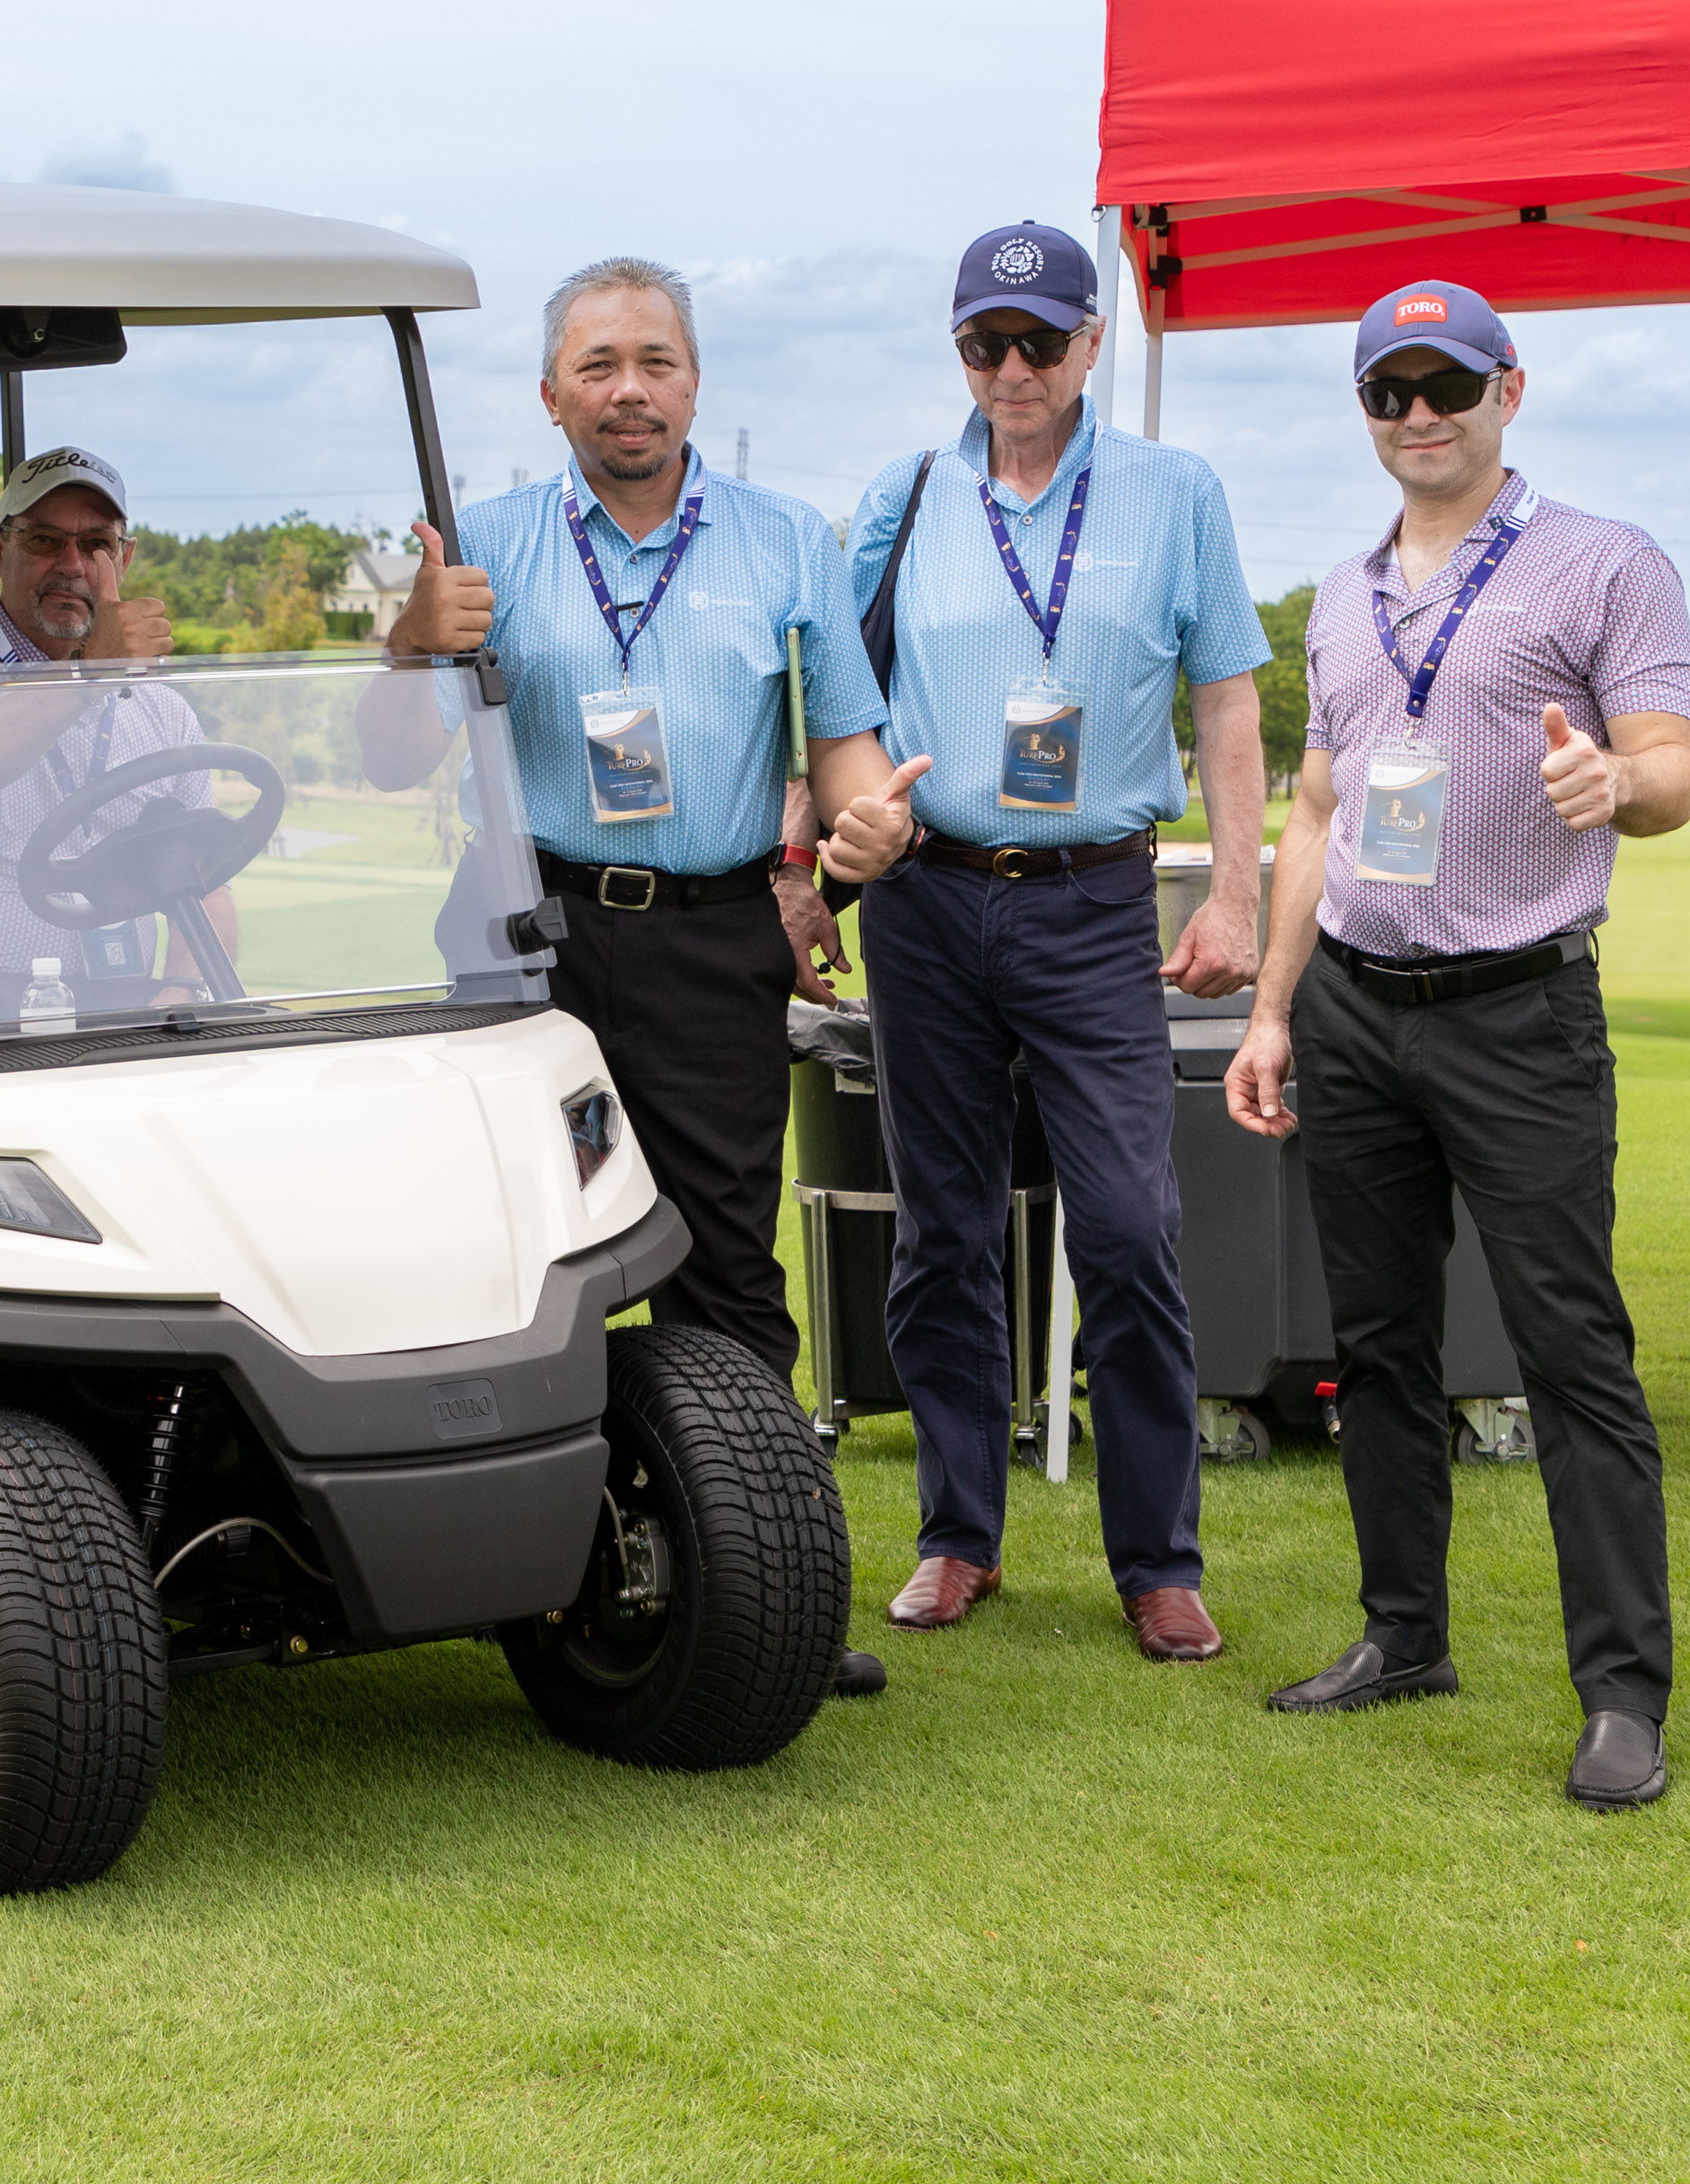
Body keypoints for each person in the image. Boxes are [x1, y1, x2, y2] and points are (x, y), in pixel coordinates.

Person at [379, 256, 920, 1701]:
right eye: (601, 364)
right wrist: (409, 642)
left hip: (706, 936)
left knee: (721, 1267)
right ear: (550, 392)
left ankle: (761, 1590)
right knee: (499, 1258)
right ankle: (491, 1574)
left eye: (658, 362)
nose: (631, 389)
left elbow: (850, 757)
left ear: (695, 383)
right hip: (519, 927)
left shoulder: (785, 540)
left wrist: (867, 828)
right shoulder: (478, 540)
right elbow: (387, 756)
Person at [1225, 280, 1690, 1810]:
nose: (1418, 412)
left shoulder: (1604, 564)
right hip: (1359, 1005)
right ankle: (1402, 1633)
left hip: (1518, 1011)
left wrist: (1617, 788)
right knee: (1378, 1349)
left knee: (1572, 1352)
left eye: (1446, 382)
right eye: (1388, 390)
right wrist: (1276, 1009)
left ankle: (1622, 1695)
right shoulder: (1343, 593)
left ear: (1510, 387)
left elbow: (1674, 763)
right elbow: (1316, 812)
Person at [843, 223, 1268, 1664]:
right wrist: (812, 857)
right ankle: (959, 1537)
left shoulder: (1173, 492)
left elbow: (1225, 701)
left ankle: (1157, 1559)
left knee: (1132, 1226)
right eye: (983, 345)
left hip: (1094, 898)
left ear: (1095, 346)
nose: (1011, 370)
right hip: (928, 895)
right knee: (942, 1229)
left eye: (1039, 342)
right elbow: (836, 707)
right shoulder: (898, 501)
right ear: (957, 352)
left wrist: (1237, 894)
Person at [0, 446, 231, 1012]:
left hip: (119, 1001)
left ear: (124, 557)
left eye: (96, 544)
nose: (72, 564)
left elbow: (207, 883)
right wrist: (87, 675)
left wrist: (179, 995)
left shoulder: (164, 709)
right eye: (45, 540)